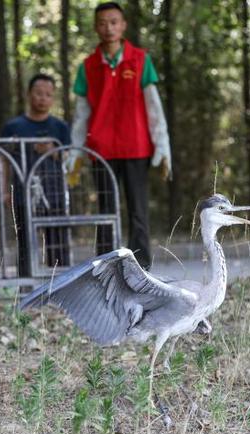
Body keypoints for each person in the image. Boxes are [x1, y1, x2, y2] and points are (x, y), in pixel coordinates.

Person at [68, 2, 171, 269]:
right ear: (95, 27)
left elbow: (154, 107)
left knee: (138, 209)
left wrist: (163, 145)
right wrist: (75, 153)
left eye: (114, 22)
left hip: (136, 147)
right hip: (100, 150)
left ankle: (142, 267)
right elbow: (81, 115)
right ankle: (104, 265)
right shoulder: (88, 66)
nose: (108, 28)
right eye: (102, 23)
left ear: (123, 25)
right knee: (105, 209)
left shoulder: (140, 59)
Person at [0, 73, 71, 276]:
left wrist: (53, 151)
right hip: (23, 192)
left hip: (55, 193)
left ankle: (60, 284)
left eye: (48, 94)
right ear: (29, 94)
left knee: (57, 242)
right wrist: (5, 191)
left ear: (53, 98)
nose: (43, 98)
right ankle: (26, 287)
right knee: (25, 242)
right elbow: (4, 161)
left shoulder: (60, 127)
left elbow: (69, 158)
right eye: (38, 93)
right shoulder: (13, 127)